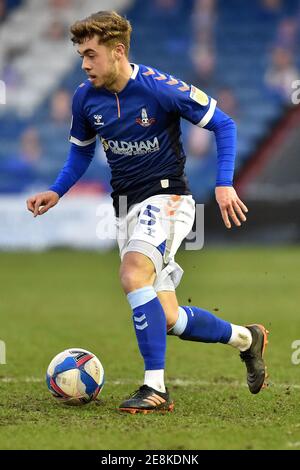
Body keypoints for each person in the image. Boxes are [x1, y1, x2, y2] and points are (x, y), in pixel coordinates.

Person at [26, 11, 269, 414]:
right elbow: (81, 150)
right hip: (125, 206)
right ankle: (247, 339)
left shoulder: (160, 88)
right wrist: (57, 190)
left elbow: (223, 124)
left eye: (91, 54)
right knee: (169, 318)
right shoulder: (85, 98)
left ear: (117, 51)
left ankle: (154, 388)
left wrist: (224, 182)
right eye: (81, 56)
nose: (84, 64)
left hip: (168, 199)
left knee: (132, 274)